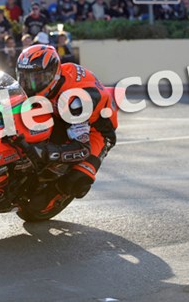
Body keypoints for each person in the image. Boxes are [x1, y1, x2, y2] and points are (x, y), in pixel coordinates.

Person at [15, 44, 117, 215]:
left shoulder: (76, 101)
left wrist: (46, 152)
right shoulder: (49, 84)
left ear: (52, 75)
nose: (29, 84)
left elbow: (81, 149)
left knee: (78, 181)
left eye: (37, 79)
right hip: (59, 113)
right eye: (24, 77)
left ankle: (60, 189)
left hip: (95, 129)